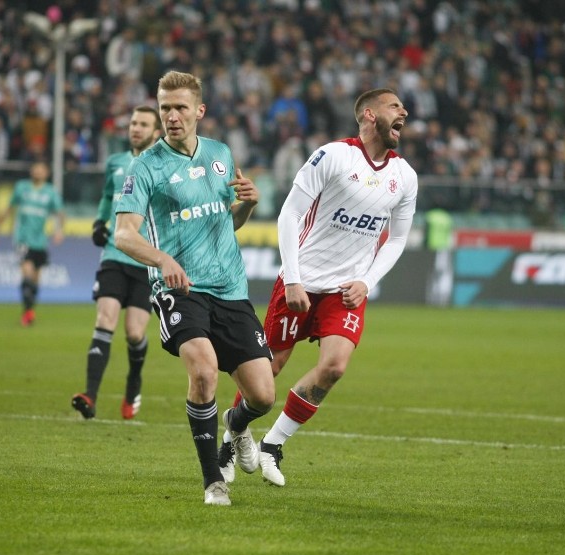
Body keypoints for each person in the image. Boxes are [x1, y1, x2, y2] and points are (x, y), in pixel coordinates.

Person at [230, 88, 418, 487]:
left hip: (346, 290)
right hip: (302, 281)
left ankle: (273, 445)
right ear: (369, 115)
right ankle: (231, 438)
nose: (404, 111)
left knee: (333, 367)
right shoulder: (334, 155)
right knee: (269, 369)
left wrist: (367, 281)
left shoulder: (405, 177)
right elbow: (290, 213)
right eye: (394, 106)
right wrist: (293, 278)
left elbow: (398, 239)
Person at [114, 71, 275, 506]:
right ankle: (212, 481)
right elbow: (124, 234)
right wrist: (163, 260)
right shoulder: (145, 166)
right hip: (180, 290)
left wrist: (247, 205)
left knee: (263, 394)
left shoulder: (220, 154)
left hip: (230, 287)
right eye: (165, 108)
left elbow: (228, 221)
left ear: (199, 111)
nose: (171, 116)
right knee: (203, 372)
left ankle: (236, 426)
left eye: (180, 107)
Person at [71, 105, 162, 421]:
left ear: (156, 132)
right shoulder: (115, 163)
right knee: (104, 318)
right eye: (133, 123)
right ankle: (89, 396)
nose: (136, 129)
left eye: (143, 124)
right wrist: (99, 222)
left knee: (135, 333)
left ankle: (133, 382)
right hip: (113, 254)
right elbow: (107, 197)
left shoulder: (164, 166)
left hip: (146, 261)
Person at [0, 161, 65, 326]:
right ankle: (28, 313)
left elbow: (60, 213)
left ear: (47, 173)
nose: (37, 171)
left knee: (36, 281)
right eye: (35, 168)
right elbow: (8, 209)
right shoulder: (21, 188)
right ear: (31, 171)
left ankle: (29, 311)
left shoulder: (50, 192)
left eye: (41, 168)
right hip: (22, 239)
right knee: (27, 273)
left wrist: (59, 231)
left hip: (40, 242)